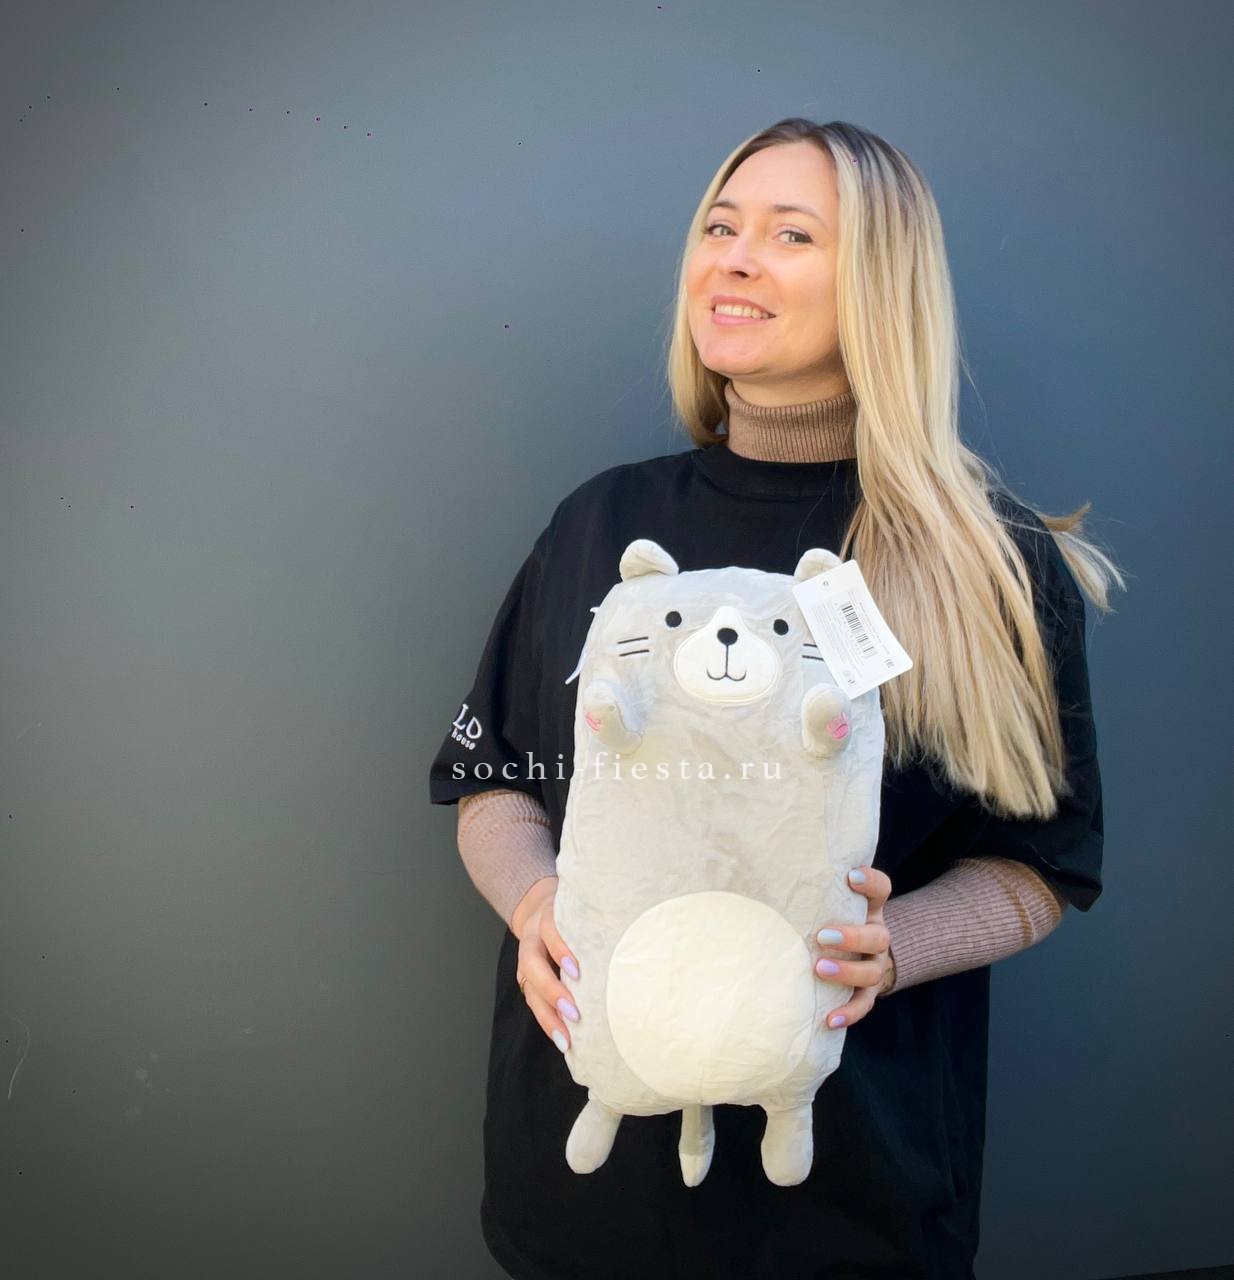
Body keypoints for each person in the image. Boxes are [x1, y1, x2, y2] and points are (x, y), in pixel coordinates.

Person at [427, 117, 1123, 1280]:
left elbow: (1041, 866)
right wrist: (538, 902)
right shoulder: (600, 524)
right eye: (720, 226)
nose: (735, 259)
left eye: (790, 234)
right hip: (590, 1182)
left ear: (878, 286)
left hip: (851, 1193)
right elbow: (495, 779)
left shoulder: (987, 563)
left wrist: (887, 947)